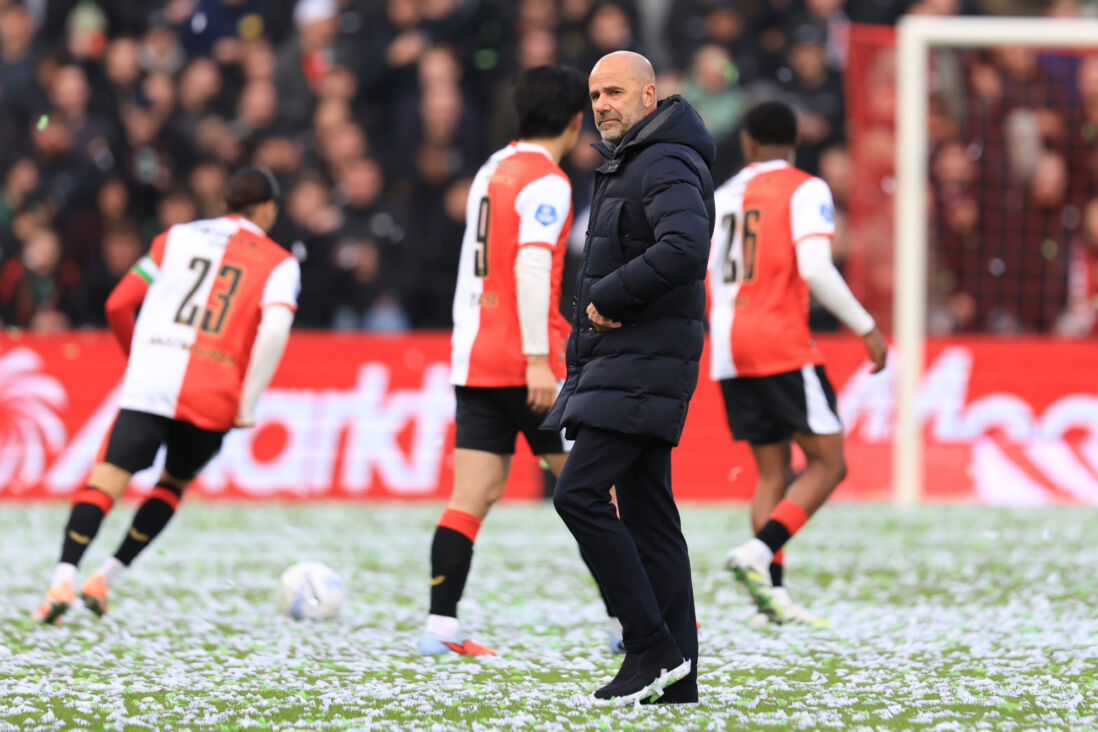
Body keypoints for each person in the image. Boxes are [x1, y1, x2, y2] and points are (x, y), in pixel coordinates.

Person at [35, 167, 300, 624]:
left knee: (104, 483)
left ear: (225, 203)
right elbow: (274, 330)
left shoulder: (175, 237)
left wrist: (136, 358)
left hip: (152, 382)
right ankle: (106, 578)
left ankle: (63, 576)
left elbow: (118, 303)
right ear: (269, 209)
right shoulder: (279, 262)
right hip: (213, 392)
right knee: (172, 485)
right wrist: (248, 402)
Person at [418, 64, 612, 656]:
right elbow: (530, 268)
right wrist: (536, 361)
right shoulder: (548, 181)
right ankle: (631, 620)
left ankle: (440, 628)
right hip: (530, 362)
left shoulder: (491, 169)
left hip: (475, 356)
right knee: (593, 492)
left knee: (471, 495)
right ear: (576, 121)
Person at [545, 51, 715, 705]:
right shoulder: (628, 161)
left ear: (649, 95)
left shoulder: (664, 159)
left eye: (614, 91)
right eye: (594, 94)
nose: (602, 104)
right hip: (632, 361)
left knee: (578, 495)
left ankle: (650, 647)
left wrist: (611, 297)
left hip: (645, 360)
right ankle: (679, 679)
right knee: (649, 517)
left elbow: (684, 247)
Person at [710, 100, 887, 626]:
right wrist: (866, 326)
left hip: (727, 345)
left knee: (772, 470)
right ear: (795, 141)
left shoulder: (723, 196)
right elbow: (814, 266)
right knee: (830, 463)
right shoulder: (806, 188)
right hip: (780, 341)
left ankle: (774, 598)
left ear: (747, 143)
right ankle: (759, 552)